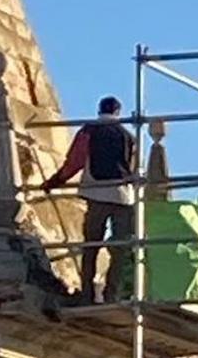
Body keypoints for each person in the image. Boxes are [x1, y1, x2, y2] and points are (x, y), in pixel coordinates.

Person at [43, 96, 137, 305]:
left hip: (96, 193)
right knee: (120, 249)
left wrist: (54, 182)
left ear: (99, 110)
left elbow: (74, 162)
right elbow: (135, 171)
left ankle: (87, 293)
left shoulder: (89, 131)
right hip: (123, 197)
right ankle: (112, 294)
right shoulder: (129, 137)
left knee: (91, 245)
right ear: (118, 112)